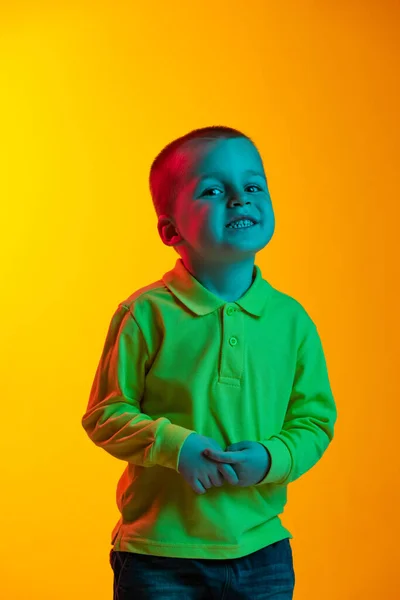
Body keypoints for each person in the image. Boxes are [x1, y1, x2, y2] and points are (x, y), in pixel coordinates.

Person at [81, 125, 337, 599]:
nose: (240, 198)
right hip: (158, 554)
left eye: (254, 185)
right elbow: (104, 415)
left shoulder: (292, 321)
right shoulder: (146, 314)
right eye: (214, 190)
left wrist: (270, 458)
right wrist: (178, 447)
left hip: (263, 549)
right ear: (170, 230)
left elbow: (314, 421)